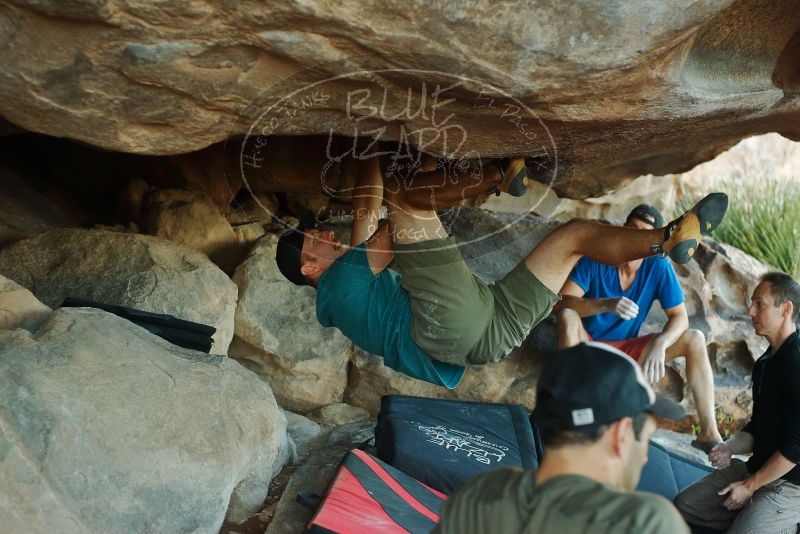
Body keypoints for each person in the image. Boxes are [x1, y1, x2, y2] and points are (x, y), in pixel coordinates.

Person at [275, 148, 728, 389]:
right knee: (403, 196)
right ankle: (495, 175)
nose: (326, 233)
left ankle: (667, 238)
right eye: (317, 239)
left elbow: (362, 213)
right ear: (310, 266)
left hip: (487, 330)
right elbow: (385, 228)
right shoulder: (340, 282)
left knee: (574, 237)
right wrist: (420, 176)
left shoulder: (347, 282)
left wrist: (368, 154)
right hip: (444, 328)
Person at [434, 342, 690, 533]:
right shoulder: (647, 522)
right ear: (621, 434)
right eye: (645, 438)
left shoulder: (480, 494)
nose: (645, 456)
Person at [554, 204, 723, 451]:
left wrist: (661, 342)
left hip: (625, 352)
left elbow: (680, 317)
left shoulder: (658, 265)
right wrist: (604, 304)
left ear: (652, 241)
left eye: (644, 233)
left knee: (695, 338)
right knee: (568, 316)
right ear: (623, 230)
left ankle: (709, 432)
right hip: (586, 346)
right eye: (632, 229)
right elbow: (561, 305)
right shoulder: (596, 257)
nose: (636, 237)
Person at [674, 272, 800, 533]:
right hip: (758, 468)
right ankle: (754, 517)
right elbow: (758, 427)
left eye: (760, 304)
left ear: (785, 309)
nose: (751, 310)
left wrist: (749, 486)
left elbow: (796, 447)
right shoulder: (766, 363)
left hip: (791, 485)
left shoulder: (797, 364)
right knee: (686, 505)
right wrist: (729, 448)